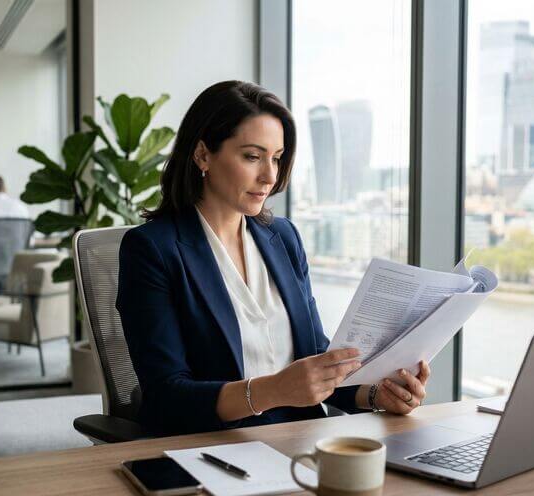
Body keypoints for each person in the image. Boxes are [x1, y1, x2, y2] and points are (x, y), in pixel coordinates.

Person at [116, 81, 431, 436]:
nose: (270, 176)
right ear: (203, 155)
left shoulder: (282, 238)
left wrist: (376, 394)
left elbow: (313, 355)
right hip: (212, 448)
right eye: (252, 156)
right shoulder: (152, 249)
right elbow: (166, 396)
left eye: (277, 158)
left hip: (302, 442)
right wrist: (273, 391)